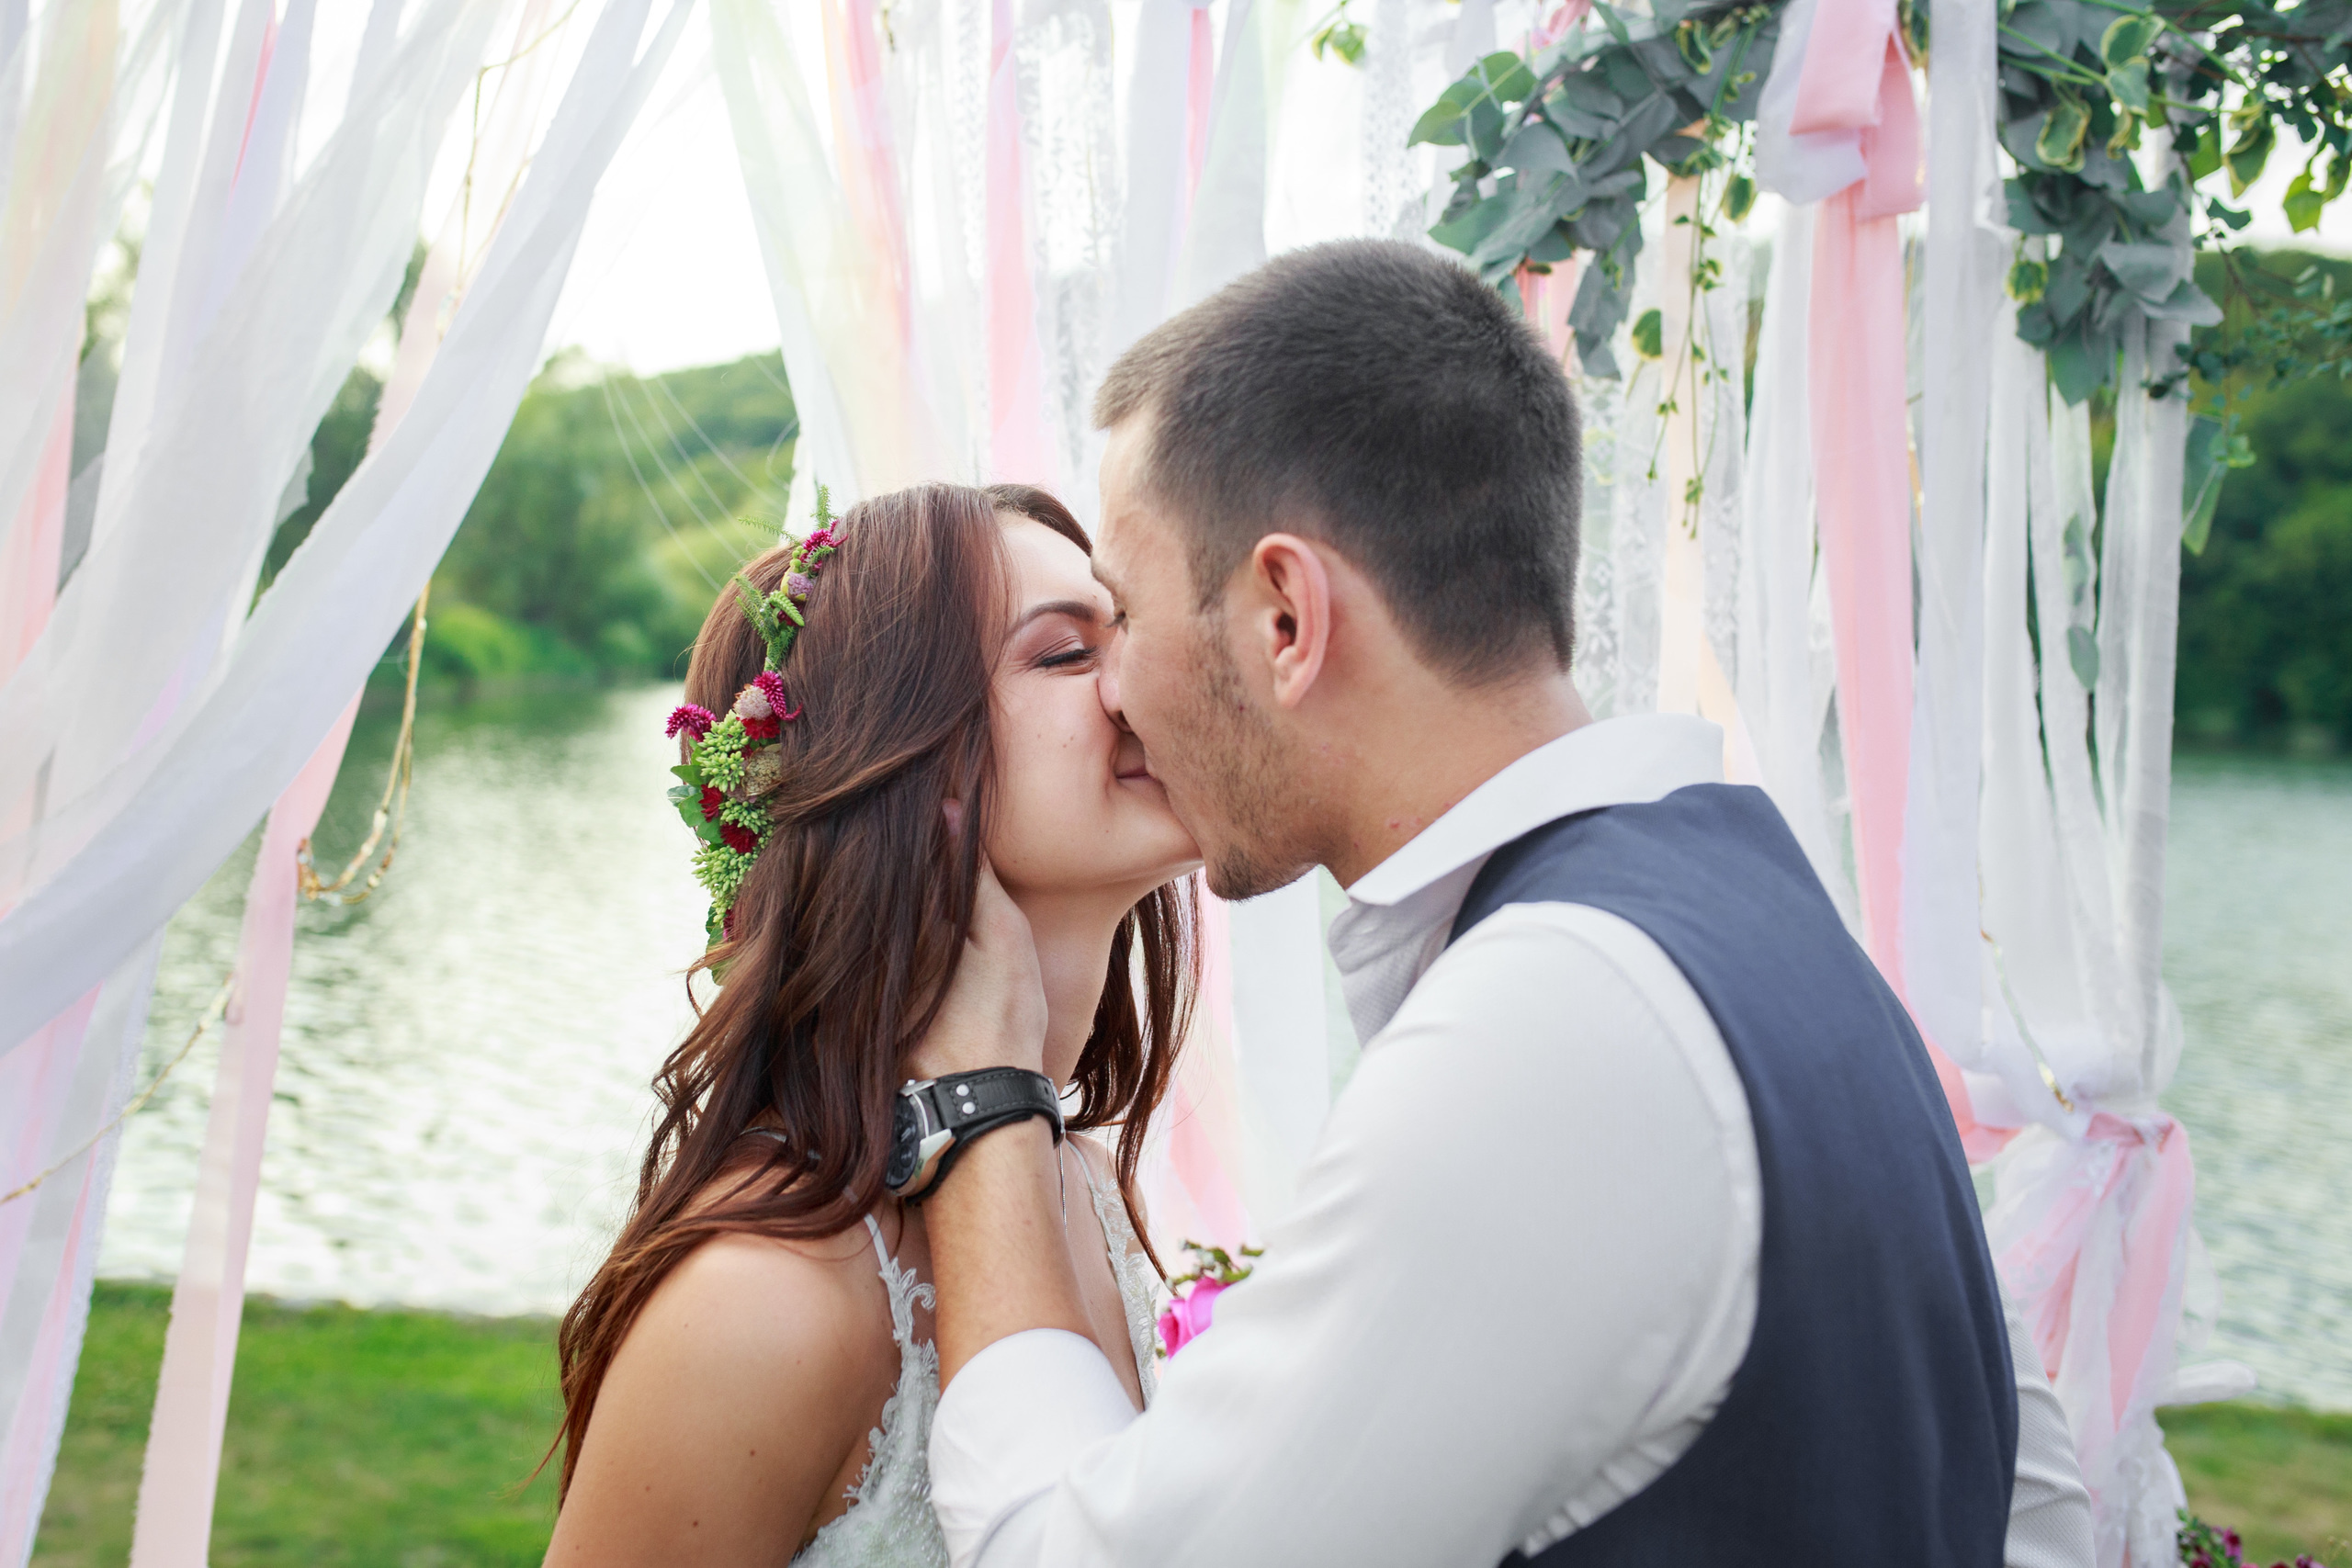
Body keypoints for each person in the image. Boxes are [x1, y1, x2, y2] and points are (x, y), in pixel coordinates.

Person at [910, 241, 2098, 1567]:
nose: (1114, 689)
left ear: (1285, 617)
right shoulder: (1764, 919)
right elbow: (2035, 1506)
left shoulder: (1553, 1024)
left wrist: (978, 1105)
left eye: (1123, 615)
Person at [544, 482, 1201, 1566]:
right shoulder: (765, 1302)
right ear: (896, 763)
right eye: (1063, 654)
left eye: (1123, 629)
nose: (1144, 679)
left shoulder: (1080, 1179)